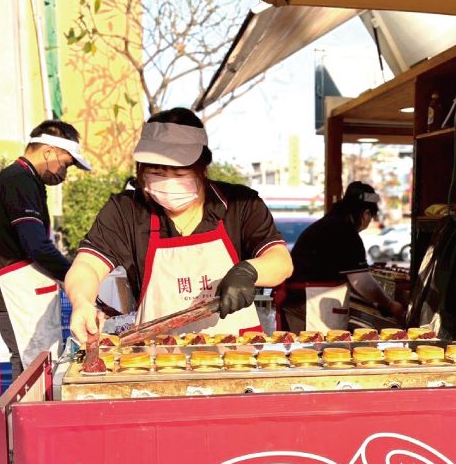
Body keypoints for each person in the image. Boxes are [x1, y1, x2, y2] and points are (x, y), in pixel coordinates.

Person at [66, 107, 293, 342]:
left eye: (180, 172)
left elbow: (280, 261)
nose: (168, 181)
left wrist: (249, 271)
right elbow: (87, 265)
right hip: (154, 353)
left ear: (203, 167)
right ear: (140, 170)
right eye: (156, 171)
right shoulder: (126, 211)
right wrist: (82, 302)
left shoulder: (239, 204)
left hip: (237, 351)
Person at [0, 120, 92, 384]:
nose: (64, 174)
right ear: (48, 152)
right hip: (17, 291)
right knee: (30, 372)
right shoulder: (18, 180)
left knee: (32, 368)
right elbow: (36, 245)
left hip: (23, 290)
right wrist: (75, 276)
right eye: (66, 164)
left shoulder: (26, 180)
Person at [277, 182, 406, 332]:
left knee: (302, 345)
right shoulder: (346, 232)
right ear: (366, 214)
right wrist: (390, 305)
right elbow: (361, 282)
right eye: (371, 217)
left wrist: (378, 301)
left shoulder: (327, 224)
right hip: (312, 303)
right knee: (320, 346)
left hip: (296, 301)